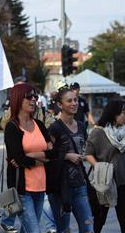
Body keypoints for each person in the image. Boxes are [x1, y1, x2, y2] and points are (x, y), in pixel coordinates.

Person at [3, 83, 55, 233]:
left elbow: (54, 153)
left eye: (35, 96)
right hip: (22, 189)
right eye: (29, 96)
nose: (33, 100)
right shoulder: (12, 127)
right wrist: (43, 157)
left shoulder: (39, 124)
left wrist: (31, 156)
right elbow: (19, 159)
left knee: (27, 229)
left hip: (41, 185)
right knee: (34, 230)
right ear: (18, 99)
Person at [47, 87, 94, 233]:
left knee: (88, 227)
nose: (74, 103)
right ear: (60, 105)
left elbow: (84, 148)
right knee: (64, 229)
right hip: (61, 187)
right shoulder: (54, 128)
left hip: (80, 184)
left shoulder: (80, 125)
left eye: (75, 100)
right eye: (69, 101)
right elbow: (48, 156)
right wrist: (67, 156)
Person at [85, 100, 125, 233]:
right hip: (104, 181)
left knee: (124, 218)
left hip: (123, 181)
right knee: (99, 218)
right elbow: (88, 154)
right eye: (124, 113)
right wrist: (100, 168)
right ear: (114, 114)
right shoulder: (99, 132)